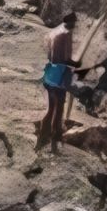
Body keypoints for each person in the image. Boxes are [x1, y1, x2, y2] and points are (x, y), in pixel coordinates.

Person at [40, 13, 80, 152]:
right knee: (59, 108)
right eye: (74, 23)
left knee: (51, 107)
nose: (75, 25)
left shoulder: (55, 33)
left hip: (50, 75)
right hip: (59, 77)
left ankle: (43, 134)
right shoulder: (65, 35)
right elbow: (63, 58)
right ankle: (56, 135)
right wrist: (75, 63)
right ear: (69, 23)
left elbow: (51, 56)